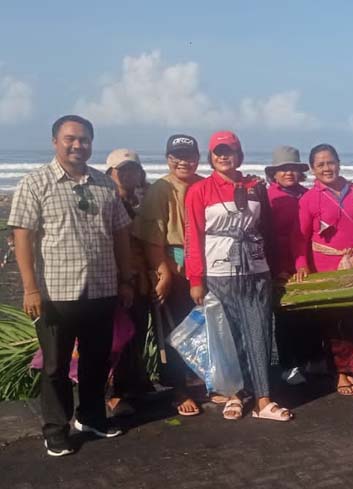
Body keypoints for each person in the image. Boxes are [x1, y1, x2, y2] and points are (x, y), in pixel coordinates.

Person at [9, 115, 134, 456]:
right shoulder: (36, 183)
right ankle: (55, 428)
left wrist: (126, 279)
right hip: (55, 294)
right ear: (55, 142)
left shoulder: (105, 184)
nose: (78, 145)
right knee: (55, 366)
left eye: (85, 139)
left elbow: (121, 235)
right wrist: (30, 288)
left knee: (96, 359)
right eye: (70, 139)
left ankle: (91, 416)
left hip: (102, 288)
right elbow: (23, 236)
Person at [184, 131, 291, 422]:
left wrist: (278, 266)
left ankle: (263, 399)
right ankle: (234, 394)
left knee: (259, 333)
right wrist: (195, 278)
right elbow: (192, 236)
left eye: (228, 150)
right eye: (217, 152)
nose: (223, 156)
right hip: (218, 271)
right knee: (227, 336)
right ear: (210, 156)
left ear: (239, 154)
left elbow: (267, 231)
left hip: (256, 270)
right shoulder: (200, 191)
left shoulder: (255, 186)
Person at [293, 144, 353, 396]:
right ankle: (341, 372)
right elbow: (299, 237)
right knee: (335, 323)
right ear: (312, 169)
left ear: (339, 163)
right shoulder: (308, 199)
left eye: (331, 162)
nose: (327, 168)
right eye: (321, 164)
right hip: (326, 269)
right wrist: (301, 265)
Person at [133, 135, 206, 416]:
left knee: (202, 327)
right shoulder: (161, 188)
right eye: (177, 156)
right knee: (173, 328)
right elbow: (153, 239)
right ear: (168, 159)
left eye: (188, 156)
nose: (183, 162)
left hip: (205, 262)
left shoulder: (203, 183)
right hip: (173, 262)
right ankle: (178, 388)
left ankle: (202, 380)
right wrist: (163, 273)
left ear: (197, 158)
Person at [104, 148, 152, 417]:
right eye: (121, 169)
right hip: (117, 279)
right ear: (110, 173)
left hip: (141, 278)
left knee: (136, 334)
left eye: (133, 169)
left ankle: (134, 384)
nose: (128, 174)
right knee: (117, 340)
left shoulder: (142, 199)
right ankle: (114, 395)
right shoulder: (107, 201)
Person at [263, 146, 314, 385]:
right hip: (280, 264)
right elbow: (266, 237)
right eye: (283, 169)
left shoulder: (308, 194)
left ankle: (308, 361)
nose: (289, 173)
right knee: (285, 318)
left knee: (308, 316)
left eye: (293, 168)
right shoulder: (267, 198)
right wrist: (276, 267)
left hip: (308, 263)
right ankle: (288, 365)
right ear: (274, 173)